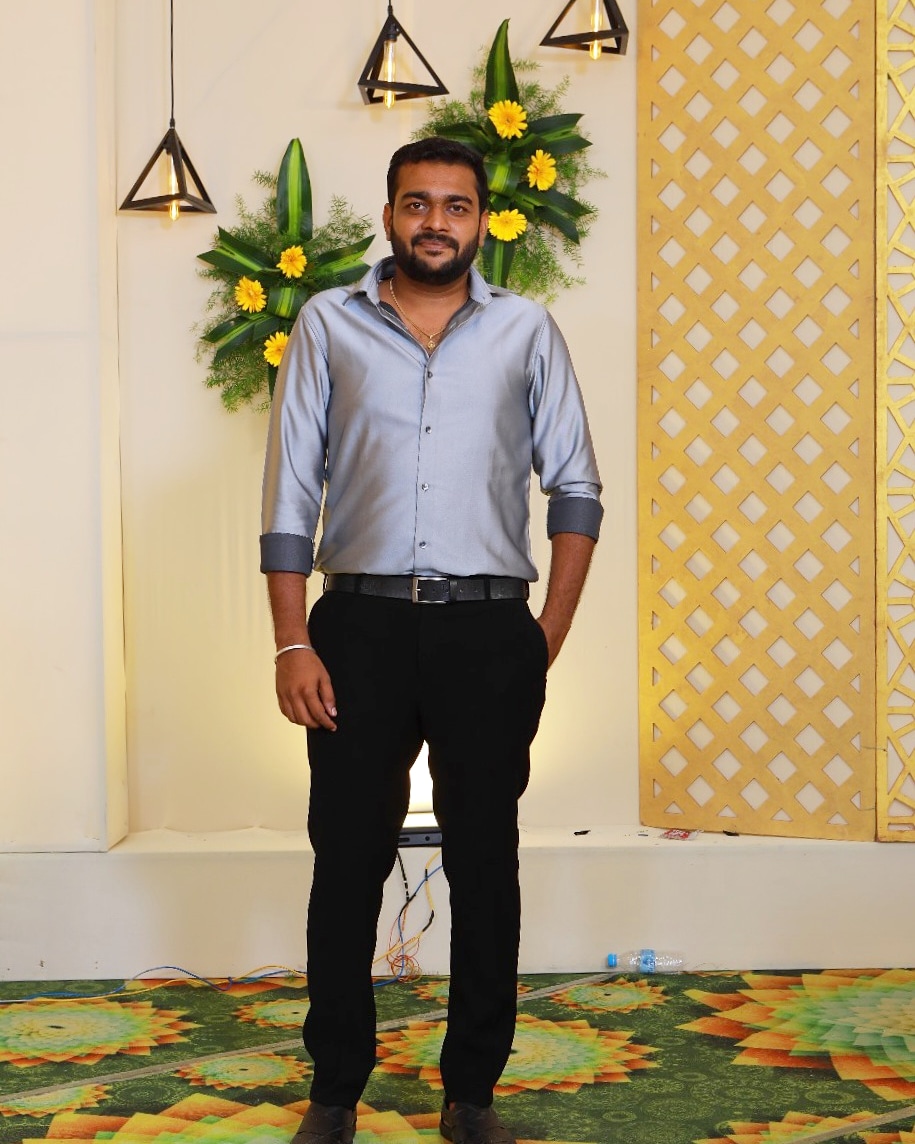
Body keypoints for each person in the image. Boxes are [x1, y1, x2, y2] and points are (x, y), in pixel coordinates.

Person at [260, 136, 602, 1144]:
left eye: (456, 205)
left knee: (487, 863)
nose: (436, 222)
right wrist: (291, 642)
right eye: (418, 203)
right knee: (347, 860)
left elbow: (576, 487)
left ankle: (471, 1093)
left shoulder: (527, 330)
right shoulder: (327, 325)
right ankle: (335, 1091)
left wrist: (544, 634)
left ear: (482, 220)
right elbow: (290, 492)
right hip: (356, 630)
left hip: (488, 632)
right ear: (389, 216)